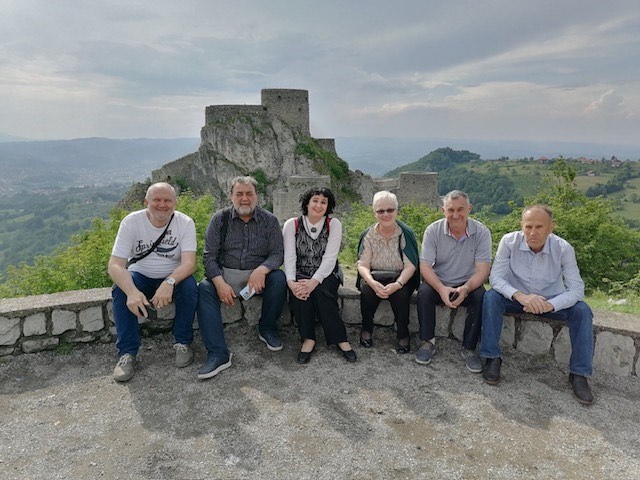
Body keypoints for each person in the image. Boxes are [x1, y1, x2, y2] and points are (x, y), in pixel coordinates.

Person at [480, 205, 594, 405]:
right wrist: (521, 297)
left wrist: (551, 305)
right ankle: (492, 358)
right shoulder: (509, 242)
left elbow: (577, 289)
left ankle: (578, 374)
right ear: (521, 226)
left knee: (582, 311)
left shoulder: (563, 248)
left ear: (551, 227)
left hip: (550, 301)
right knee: (491, 297)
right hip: (517, 299)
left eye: (539, 227)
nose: (533, 232)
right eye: (528, 226)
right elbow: (496, 278)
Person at [196, 176, 286, 379]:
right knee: (204, 288)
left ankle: (267, 328)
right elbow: (209, 257)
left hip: (257, 279)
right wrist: (219, 283)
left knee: (279, 279)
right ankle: (218, 353)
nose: (244, 198)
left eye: (249, 194)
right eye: (239, 194)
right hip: (226, 275)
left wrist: (262, 270)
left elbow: (277, 253)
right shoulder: (219, 219)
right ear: (231, 196)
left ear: (256, 196)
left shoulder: (269, 221)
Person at [108, 182, 198, 382]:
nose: (162, 205)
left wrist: (169, 282)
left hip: (173, 276)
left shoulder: (185, 222)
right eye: (156, 200)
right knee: (120, 290)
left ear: (175, 203)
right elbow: (115, 265)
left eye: (167, 200)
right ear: (146, 201)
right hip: (140, 275)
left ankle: (182, 342)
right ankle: (127, 352)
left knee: (190, 287)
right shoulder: (131, 222)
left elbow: (189, 264)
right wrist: (132, 292)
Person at [415, 190, 491, 372]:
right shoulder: (433, 231)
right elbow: (425, 266)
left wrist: (466, 288)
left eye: (460, 209)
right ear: (443, 211)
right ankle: (428, 341)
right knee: (424, 292)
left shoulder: (482, 232)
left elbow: (483, 270)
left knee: (481, 296)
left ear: (469, 209)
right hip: (439, 281)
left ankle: (469, 348)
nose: (455, 215)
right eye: (450, 210)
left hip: (468, 282)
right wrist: (441, 288)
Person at [283, 187, 356, 364]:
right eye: (315, 200)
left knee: (322, 291)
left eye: (323, 202)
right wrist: (291, 282)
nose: (319, 205)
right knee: (300, 294)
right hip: (300, 271)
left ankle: (340, 339)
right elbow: (289, 256)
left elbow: (330, 258)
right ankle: (308, 339)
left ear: (328, 206)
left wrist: (313, 282)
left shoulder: (333, 224)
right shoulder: (292, 224)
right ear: (307, 203)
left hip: (327, 272)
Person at [356, 191, 420, 353]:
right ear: (375, 213)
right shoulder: (368, 235)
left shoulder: (405, 234)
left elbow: (410, 265)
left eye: (390, 210)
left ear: (397, 211)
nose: (386, 214)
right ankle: (366, 329)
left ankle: (403, 333)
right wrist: (372, 283)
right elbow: (363, 264)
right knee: (367, 291)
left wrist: (397, 284)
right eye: (381, 211)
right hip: (375, 276)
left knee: (401, 295)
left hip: (400, 277)